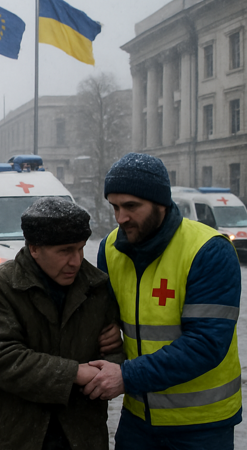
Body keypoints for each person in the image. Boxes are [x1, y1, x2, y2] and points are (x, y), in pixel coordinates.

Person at [84, 152, 242, 449]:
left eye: (131, 206)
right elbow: (109, 314)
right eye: (115, 207)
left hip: (202, 425)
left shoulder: (208, 251)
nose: (121, 218)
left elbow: (206, 344)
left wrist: (127, 376)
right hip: (139, 420)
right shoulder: (110, 250)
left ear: (161, 203)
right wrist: (108, 331)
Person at [0, 198, 123, 450]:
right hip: (13, 433)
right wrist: (74, 373)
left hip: (80, 433)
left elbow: (112, 358)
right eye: (65, 251)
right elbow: (1, 359)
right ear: (34, 248)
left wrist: (115, 353)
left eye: (80, 248)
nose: (76, 261)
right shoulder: (1, 287)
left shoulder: (96, 287)